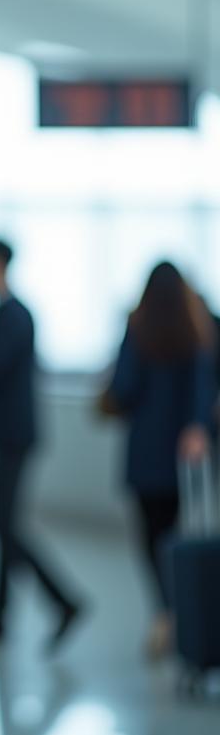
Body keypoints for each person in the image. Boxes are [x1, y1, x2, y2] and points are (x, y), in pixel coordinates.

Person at [0, 239, 83, 652]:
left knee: (5, 526)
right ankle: (0, 618)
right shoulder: (7, 313)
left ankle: (63, 602)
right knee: (1, 525)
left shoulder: (15, 315)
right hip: (9, 435)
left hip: (13, 436)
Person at [100, 261, 216, 659]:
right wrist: (198, 425)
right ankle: (183, 608)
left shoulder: (138, 328)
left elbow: (124, 387)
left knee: (150, 538)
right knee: (180, 533)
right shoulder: (196, 328)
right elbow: (203, 384)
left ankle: (165, 609)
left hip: (146, 449)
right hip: (184, 453)